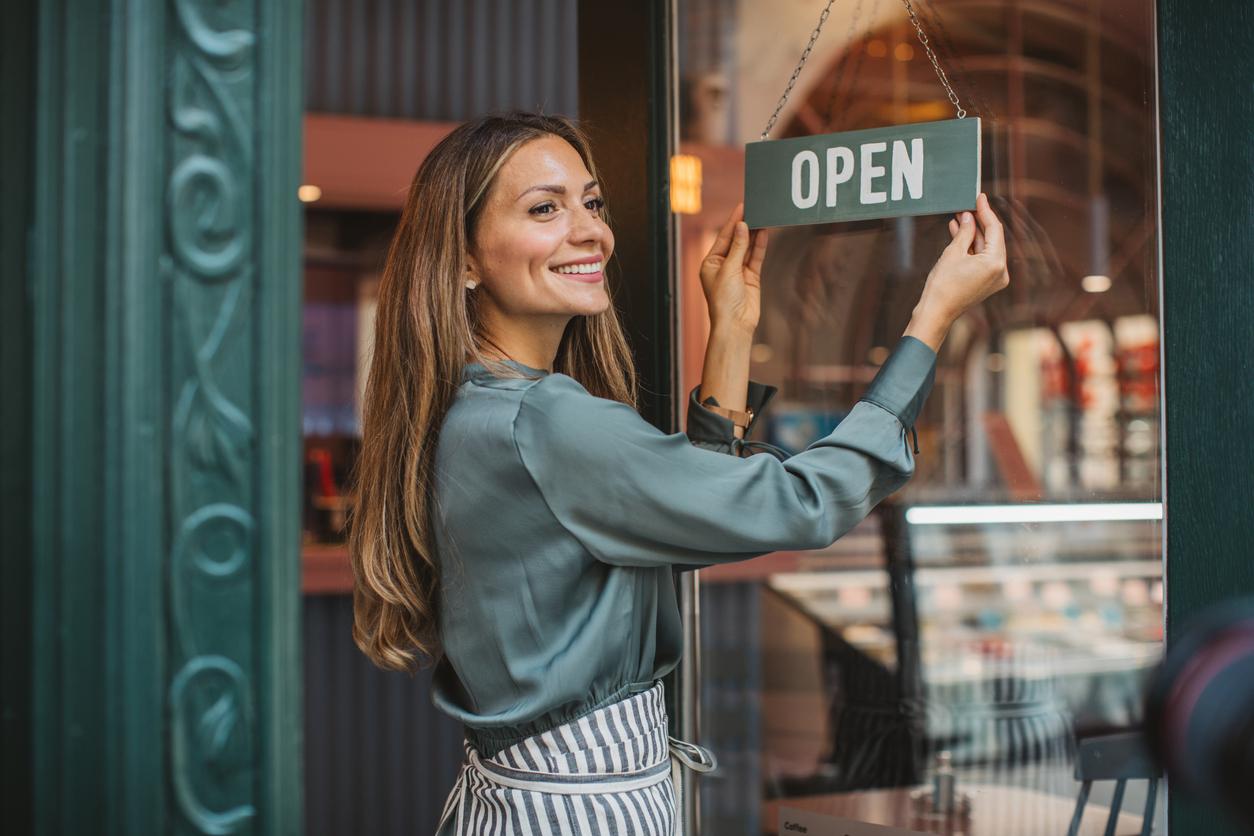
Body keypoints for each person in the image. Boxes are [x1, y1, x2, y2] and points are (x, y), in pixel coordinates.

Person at [348, 111, 1009, 835]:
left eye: (591, 203)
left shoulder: (476, 406)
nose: (589, 229)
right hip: (583, 812)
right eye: (545, 208)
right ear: (465, 260)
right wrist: (932, 319)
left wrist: (729, 331)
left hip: (520, 795)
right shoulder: (547, 421)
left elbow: (696, 506)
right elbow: (804, 504)